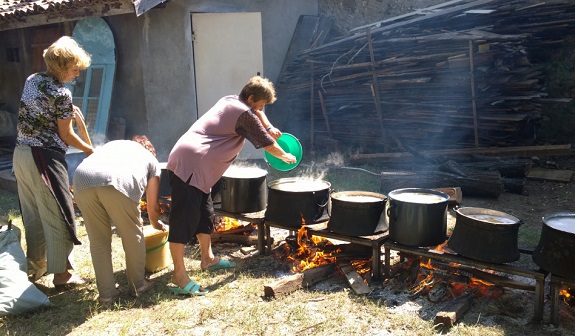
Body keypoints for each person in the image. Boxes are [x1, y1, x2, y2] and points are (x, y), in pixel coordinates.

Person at [166, 75, 296, 295]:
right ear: (251, 98)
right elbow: (267, 145)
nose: (262, 109)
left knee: (205, 214)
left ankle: (207, 259)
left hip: (201, 169)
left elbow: (259, 113)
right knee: (183, 220)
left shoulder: (232, 100)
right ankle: (178, 275)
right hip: (190, 165)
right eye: (261, 104)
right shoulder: (244, 114)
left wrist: (270, 126)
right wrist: (286, 156)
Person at [13, 36, 94, 289]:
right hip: (43, 158)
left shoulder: (33, 79)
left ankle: (35, 269)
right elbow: (66, 135)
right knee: (60, 214)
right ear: (62, 66)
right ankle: (62, 276)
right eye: (74, 68)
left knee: (34, 214)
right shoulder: (62, 93)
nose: (77, 73)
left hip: (21, 155)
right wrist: (90, 149)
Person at [73, 136, 166, 303]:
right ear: (151, 150)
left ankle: (107, 294)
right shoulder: (150, 159)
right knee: (132, 235)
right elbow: (152, 207)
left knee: (98, 240)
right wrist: (156, 223)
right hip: (116, 181)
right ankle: (138, 285)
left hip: (81, 179)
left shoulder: (114, 145)